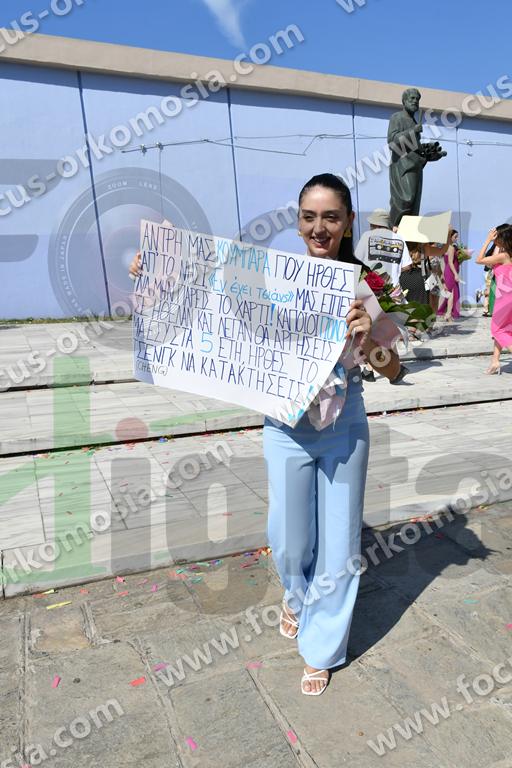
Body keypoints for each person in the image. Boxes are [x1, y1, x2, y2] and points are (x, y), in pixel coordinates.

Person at [266, 173, 401, 696]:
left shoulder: (365, 288)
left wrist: (369, 341)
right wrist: (157, 273)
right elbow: (210, 312)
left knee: (340, 543)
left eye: (331, 217)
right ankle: (295, 596)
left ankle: (321, 648)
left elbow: (394, 369)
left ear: (347, 222)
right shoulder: (274, 279)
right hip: (285, 427)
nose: (318, 228)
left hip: (344, 428)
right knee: (288, 539)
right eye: (309, 217)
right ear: (298, 222)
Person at [354, 208, 411, 380]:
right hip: (393, 293)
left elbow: (356, 263)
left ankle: (369, 369)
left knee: (367, 332)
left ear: (373, 223)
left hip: (370, 292)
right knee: (389, 333)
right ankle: (394, 369)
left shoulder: (366, 237)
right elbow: (407, 266)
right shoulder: (399, 239)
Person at [476, 225, 512, 374]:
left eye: (496, 236)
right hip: (507, 295)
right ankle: (495, 361)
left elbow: (479, 260)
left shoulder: (504, 256)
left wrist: (487, 240)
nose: (494, 238)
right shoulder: (506, 254)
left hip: (505, 297)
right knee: (505, 329)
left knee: (497, 329)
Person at [437, 229, 461, 322]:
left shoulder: (447, 247)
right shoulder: (451, 248)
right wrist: (455, 274)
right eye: (455, 236)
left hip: (448, 271)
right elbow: (450, 262)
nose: (456, 238)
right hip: (450, 272)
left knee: (450, 293)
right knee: (451, 294)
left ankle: (448, 313)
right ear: (450, 237)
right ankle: (448, 314)